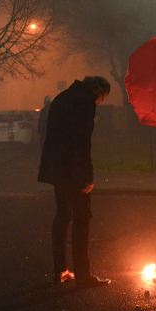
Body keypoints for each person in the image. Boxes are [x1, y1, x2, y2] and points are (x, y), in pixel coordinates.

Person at [38, 76, 112, 288]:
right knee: (82, 220)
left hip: (57, 170)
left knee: (62, 217)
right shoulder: (84, 104)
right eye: (102, 98)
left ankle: (60, 269)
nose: (100, 102)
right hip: (74, 172)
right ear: (96, 90)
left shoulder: (61, 99)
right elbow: (81, 143)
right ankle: (83, 274)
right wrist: (86, 178)